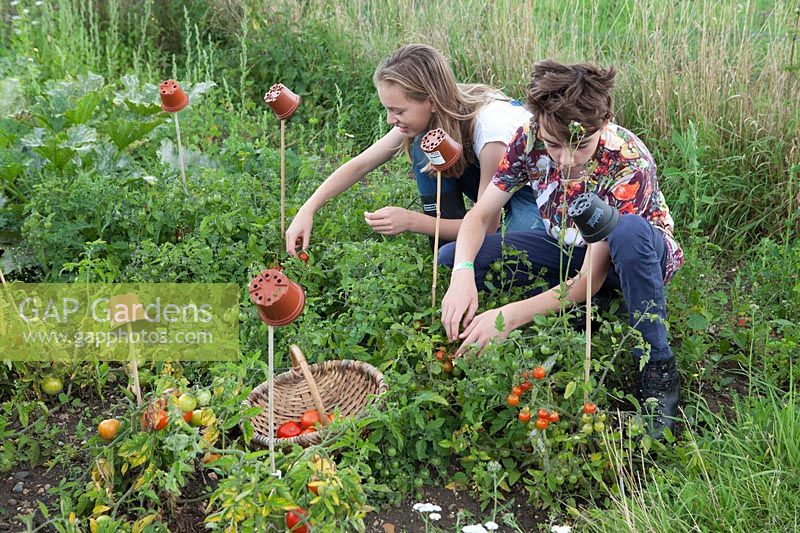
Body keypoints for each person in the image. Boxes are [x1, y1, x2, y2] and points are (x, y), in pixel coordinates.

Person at [439, 60, 684, 438]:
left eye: (580, 145)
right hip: (564, 245)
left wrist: (509, 316)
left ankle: (658, 366)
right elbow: (480, 215)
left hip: (629, 257)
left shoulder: (626, 161)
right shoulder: (528, 137)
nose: (565, 159)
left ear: (603, 123)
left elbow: (590, 277)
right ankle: (574, 307)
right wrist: (461, 276)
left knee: (629, 233)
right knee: (453, 255)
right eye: (554, 145)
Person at [285, 44, 543, 256]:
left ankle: (454, 245)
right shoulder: (440, 112)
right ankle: (446, 240)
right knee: (424, 146)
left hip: (534, 196)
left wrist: (412, 222)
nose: (389, 119)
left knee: (506, 258)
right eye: (388, 109)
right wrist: (308, 208)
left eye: (397, 111)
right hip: (497, 188)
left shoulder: (491, 135)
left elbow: (487, 227)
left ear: (430, 100)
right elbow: (361, 164)